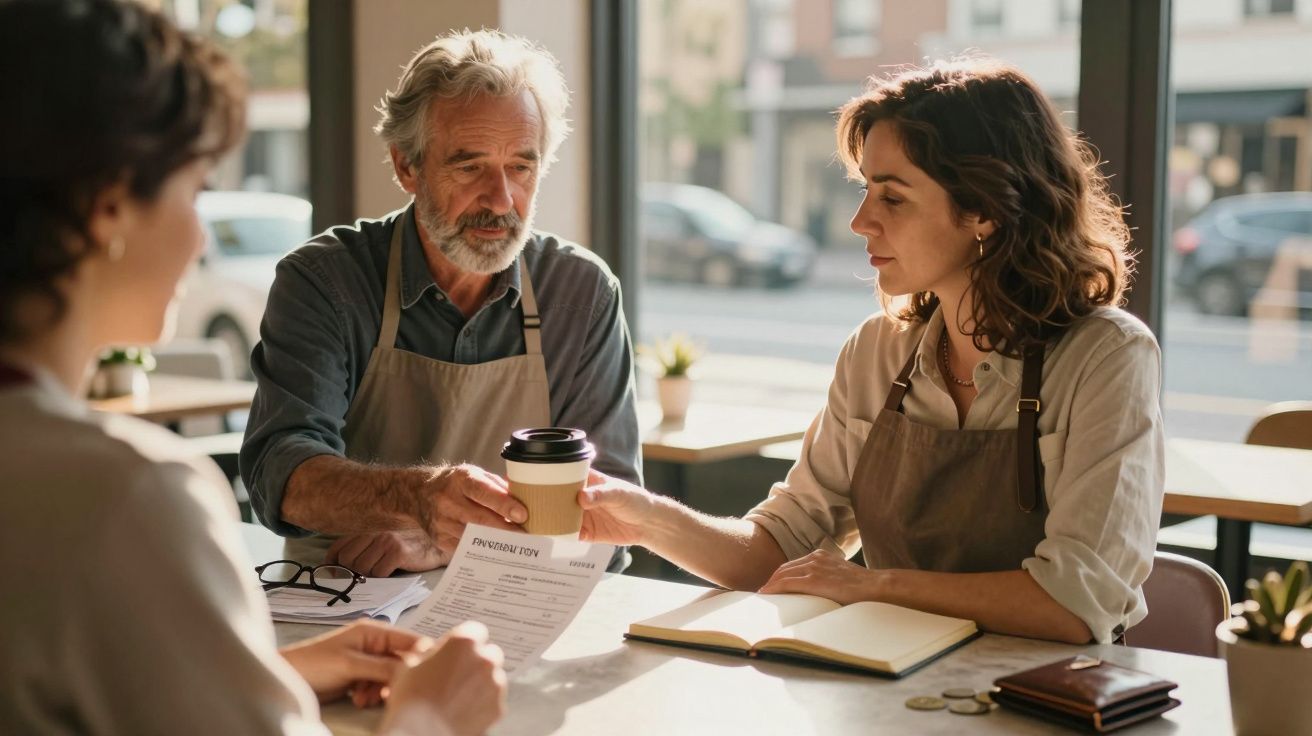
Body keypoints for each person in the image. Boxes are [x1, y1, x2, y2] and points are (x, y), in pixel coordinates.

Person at [0, 1, 505, 733]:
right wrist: (431, 716)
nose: (202, 233)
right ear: (107, 208)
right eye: (196, 189)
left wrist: (263, 673)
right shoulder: (129, 498)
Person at [578, 59, 1165, 645]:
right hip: (893, 691)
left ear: (984, 209)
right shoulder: (877, 353)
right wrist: (646, 519)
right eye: (866, 192)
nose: (861, 222)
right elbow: (780, 549)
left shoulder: (1107, 358)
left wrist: (874, 585)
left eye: (894, 198)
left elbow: (1072, 603)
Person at [239, 29, 639, 576]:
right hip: (345, 602)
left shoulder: (582, 294)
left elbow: (611, 520)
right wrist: (416, 500)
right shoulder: (325, 281)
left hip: (522, 602)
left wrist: (454, 543)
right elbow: (279, 474)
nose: (501, 200)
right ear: (407, 167)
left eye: (521, 167)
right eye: (470, 166)